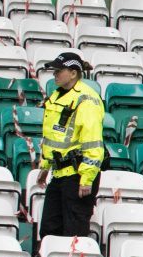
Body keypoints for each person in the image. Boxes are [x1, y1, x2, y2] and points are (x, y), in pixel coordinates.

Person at [33, 51, 104, 241]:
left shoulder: (86, 99)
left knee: (74, 235)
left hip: (78, 174)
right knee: (49, 231)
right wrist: (45, 167)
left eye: (59, 70)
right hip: (59, 174)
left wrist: (87, 178)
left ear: (73, 73)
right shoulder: (57, 96)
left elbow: (93, 141)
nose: (55, 74)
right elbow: (53, 138)